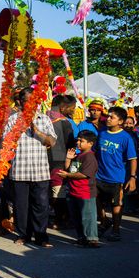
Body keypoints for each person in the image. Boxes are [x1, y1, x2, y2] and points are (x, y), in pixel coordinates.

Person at [4, 87, 57, 248]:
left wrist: (38, 132)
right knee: (21, 206)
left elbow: (52, 142)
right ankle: (24, 235)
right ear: (21, 102)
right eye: (28, 101)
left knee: (41, 205)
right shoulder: (13, 120)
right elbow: (5, 144)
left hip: (40, 171)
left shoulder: (44, 119)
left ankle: (41, 236)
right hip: (19, 170)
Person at [96, 106, 138, 242]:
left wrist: (132, 177)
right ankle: (104, 221)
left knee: (116, 205)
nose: (108, 119)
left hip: (116, 178)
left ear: (120, 121)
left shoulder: (126, 138)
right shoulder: (101, 132)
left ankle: (115, 230)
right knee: (96, 202)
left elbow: (133, 159)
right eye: (108, 116)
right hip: (99, 176)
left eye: (111, 117)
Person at [59, 130, 100, 248]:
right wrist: (68, 158)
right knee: (76, 217)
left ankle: (92, 239)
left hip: (85, 192)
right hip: (73, 191)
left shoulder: (90, 157)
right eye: (78, 140)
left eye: (81, 141)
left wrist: (67, 176)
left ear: (90, 143)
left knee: (88, 217)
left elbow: (84, 174)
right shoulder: (79, 155)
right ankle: (82, 238)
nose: (78, 143)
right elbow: (69, 169)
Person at [47, 95, 77, 228]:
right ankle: (61, 219)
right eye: (72, 108)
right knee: (59, 192)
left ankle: (55, 218)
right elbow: (71, 145)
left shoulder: (43, 118)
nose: (73, 111)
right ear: (63, 107)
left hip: (46, 162)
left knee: (50, 192)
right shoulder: (64, 122)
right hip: (59, 162)